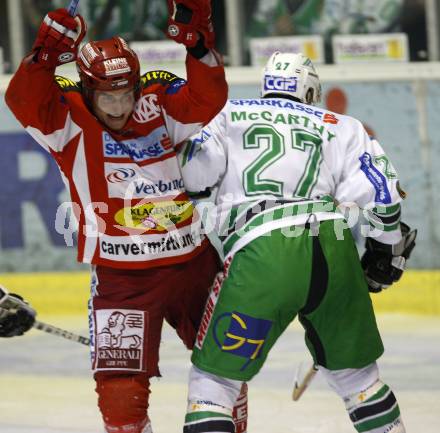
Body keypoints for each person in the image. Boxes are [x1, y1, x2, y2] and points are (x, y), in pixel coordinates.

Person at [4, 2, 249, 433]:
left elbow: (207, 98)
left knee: (224, 361)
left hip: (193, 264)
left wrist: (198, 44)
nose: (118, 107)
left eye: (125, 93)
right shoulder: (67, 120)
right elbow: (22, 99)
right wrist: (42, 60)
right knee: (120, 394)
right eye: (107, 96)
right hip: (123, 279)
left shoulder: (157, 103)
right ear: (87, 88)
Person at [177, 51, 417, 433]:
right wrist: (383, 252)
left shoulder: (226, 114)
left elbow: (194, 176)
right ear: (309, 89)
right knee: (360, 381)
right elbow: (384, 200)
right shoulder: (343, 125)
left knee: (214, 387)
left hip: (264, 248)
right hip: (333, 244)